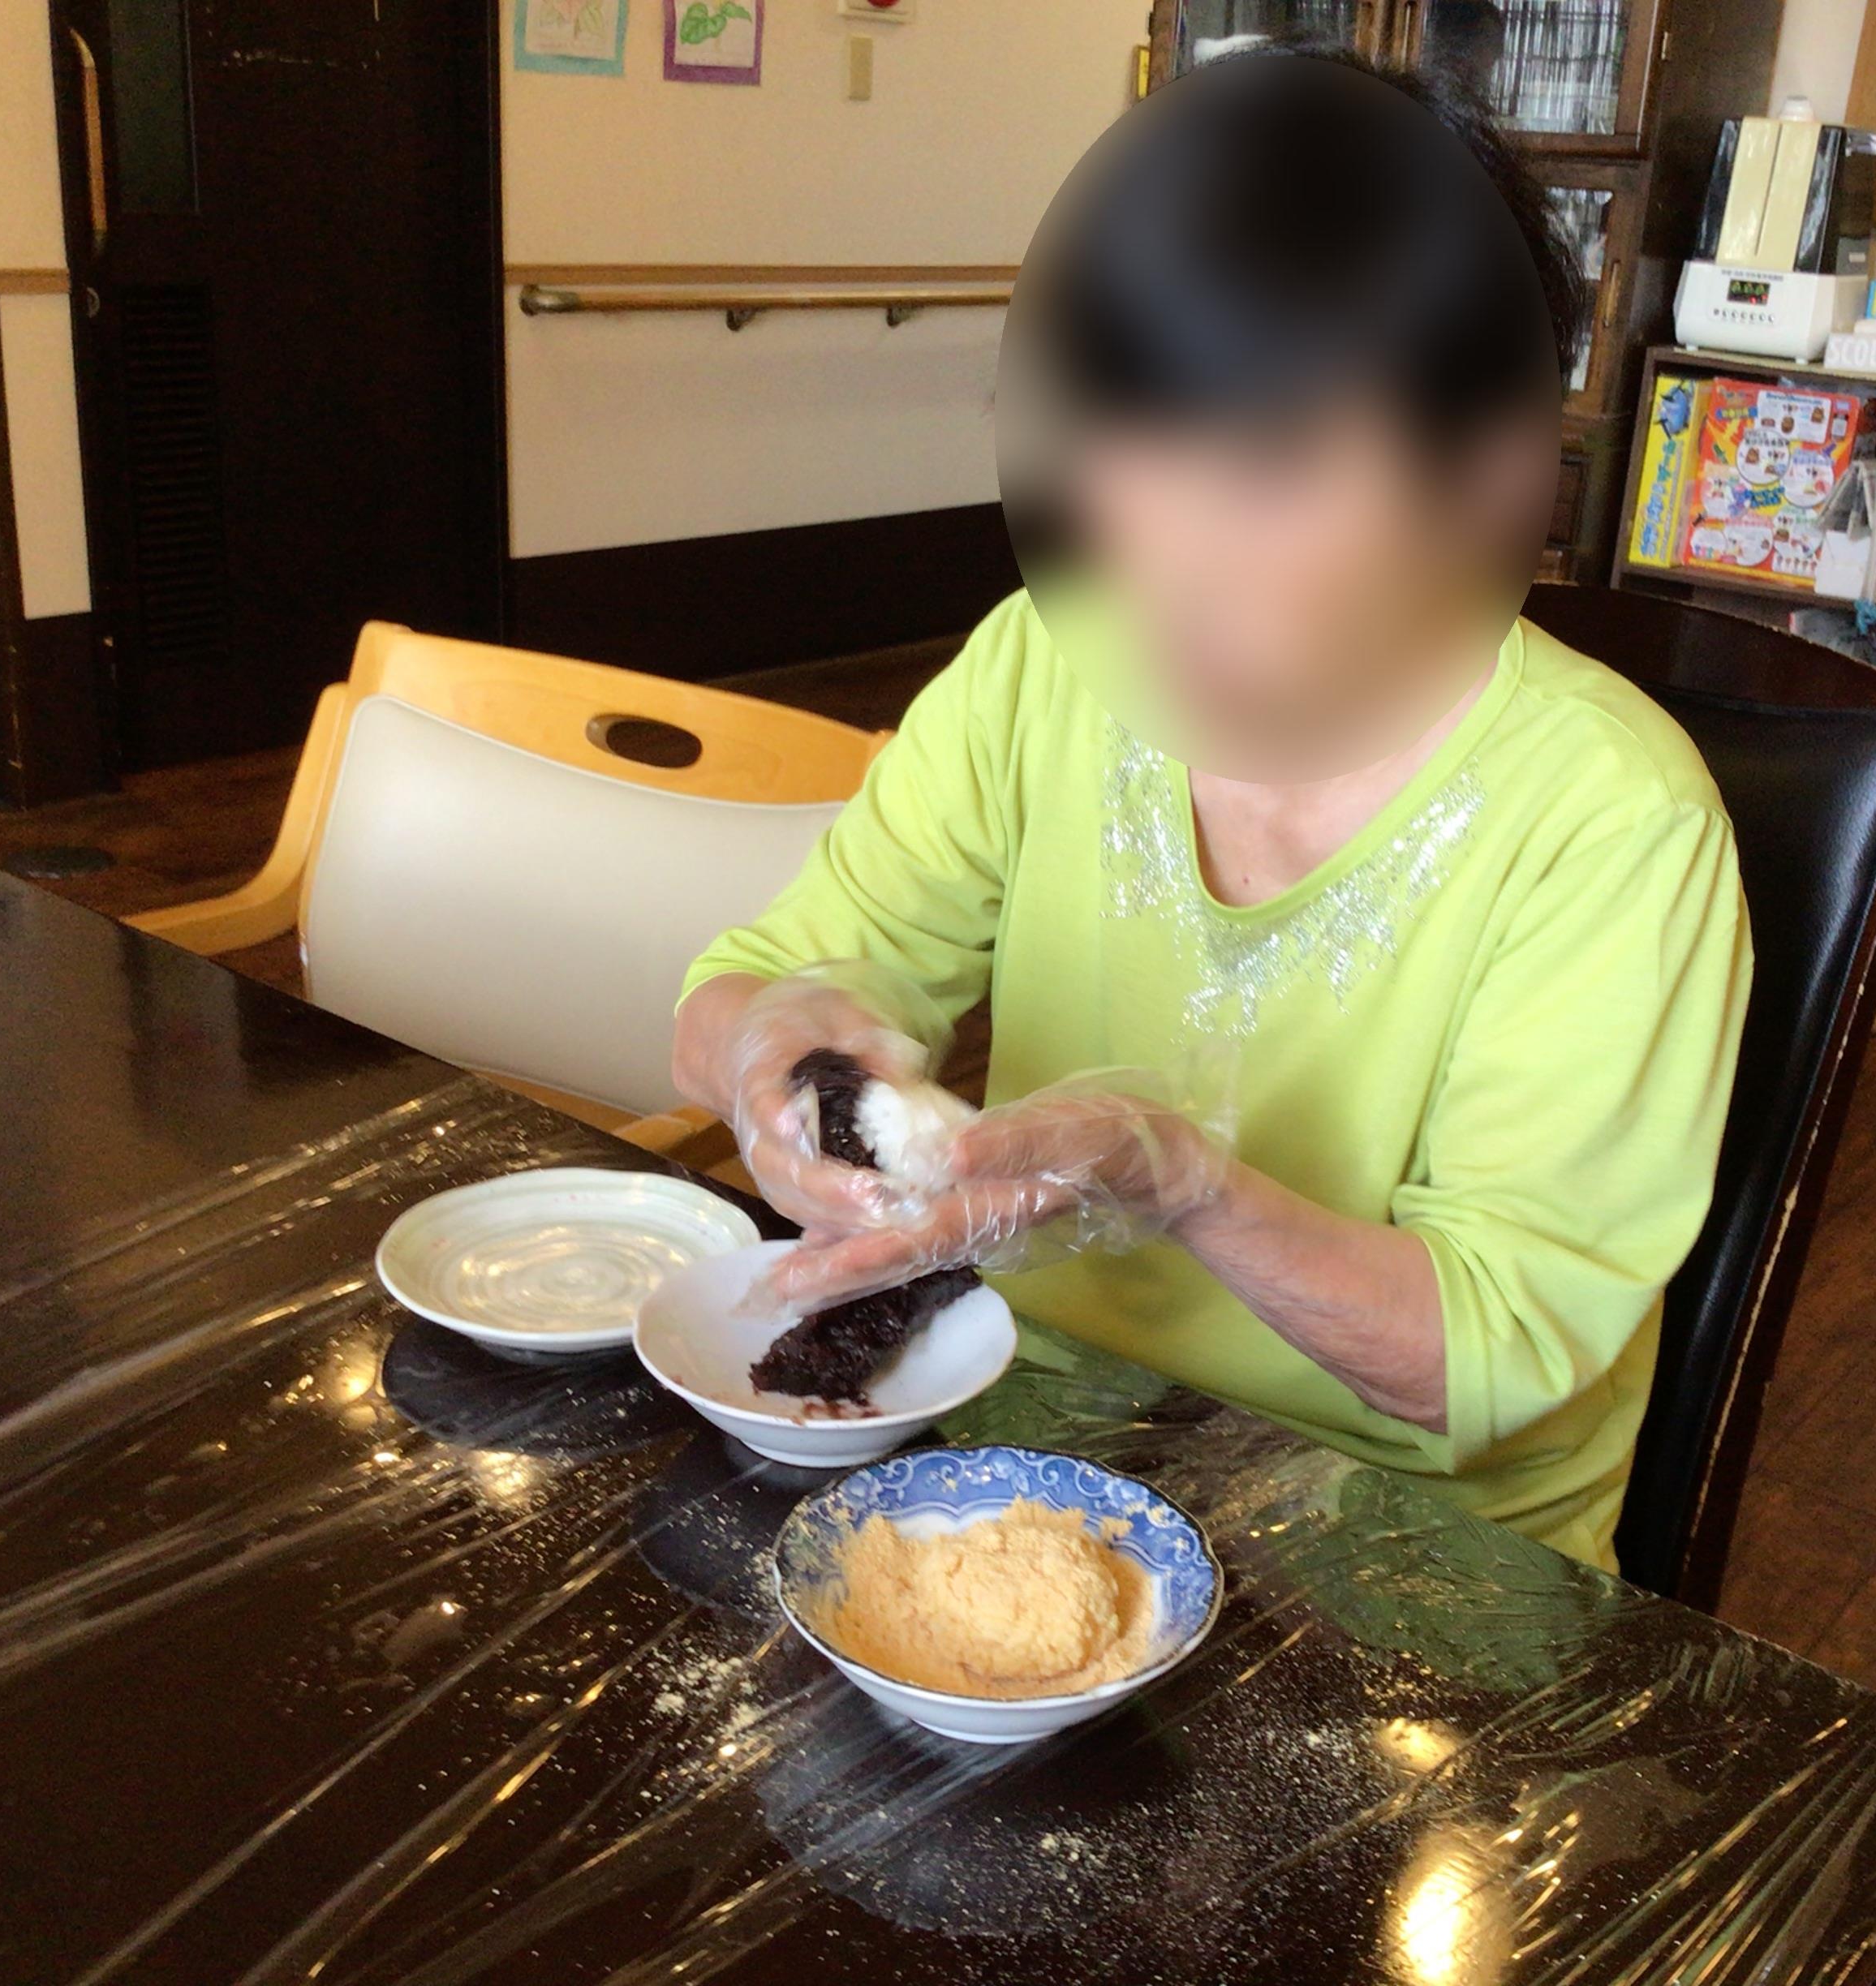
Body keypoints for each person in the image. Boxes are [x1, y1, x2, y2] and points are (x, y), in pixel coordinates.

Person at [670, 49, 1751, 1573]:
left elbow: (1489, 1360)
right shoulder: (1046, 660)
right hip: (1017, 1429)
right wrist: (772, 1068)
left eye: (1264, 473)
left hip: (1395, 1540)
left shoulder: (1613, 819)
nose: (1165, 573)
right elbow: (753, 987)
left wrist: (1175, 1177)